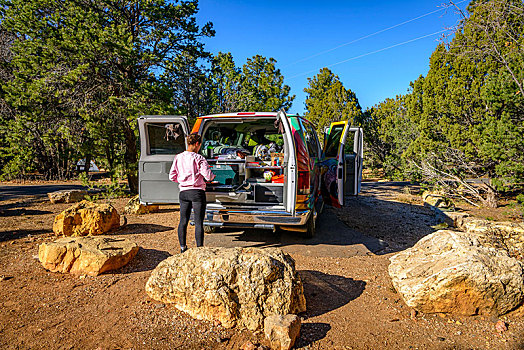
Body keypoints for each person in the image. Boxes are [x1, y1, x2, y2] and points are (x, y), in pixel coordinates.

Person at [169, 133, 215, 253]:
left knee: (183, 220)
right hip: (197, 192)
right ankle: (199, 249)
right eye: (199, 145)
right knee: (199, 222)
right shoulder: (199, 158)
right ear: (196, 144)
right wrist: (212, 177)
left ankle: (183, 247)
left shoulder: (178, 157)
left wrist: (182, 181)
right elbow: (208, 176)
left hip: (183, 192)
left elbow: (171, 176)